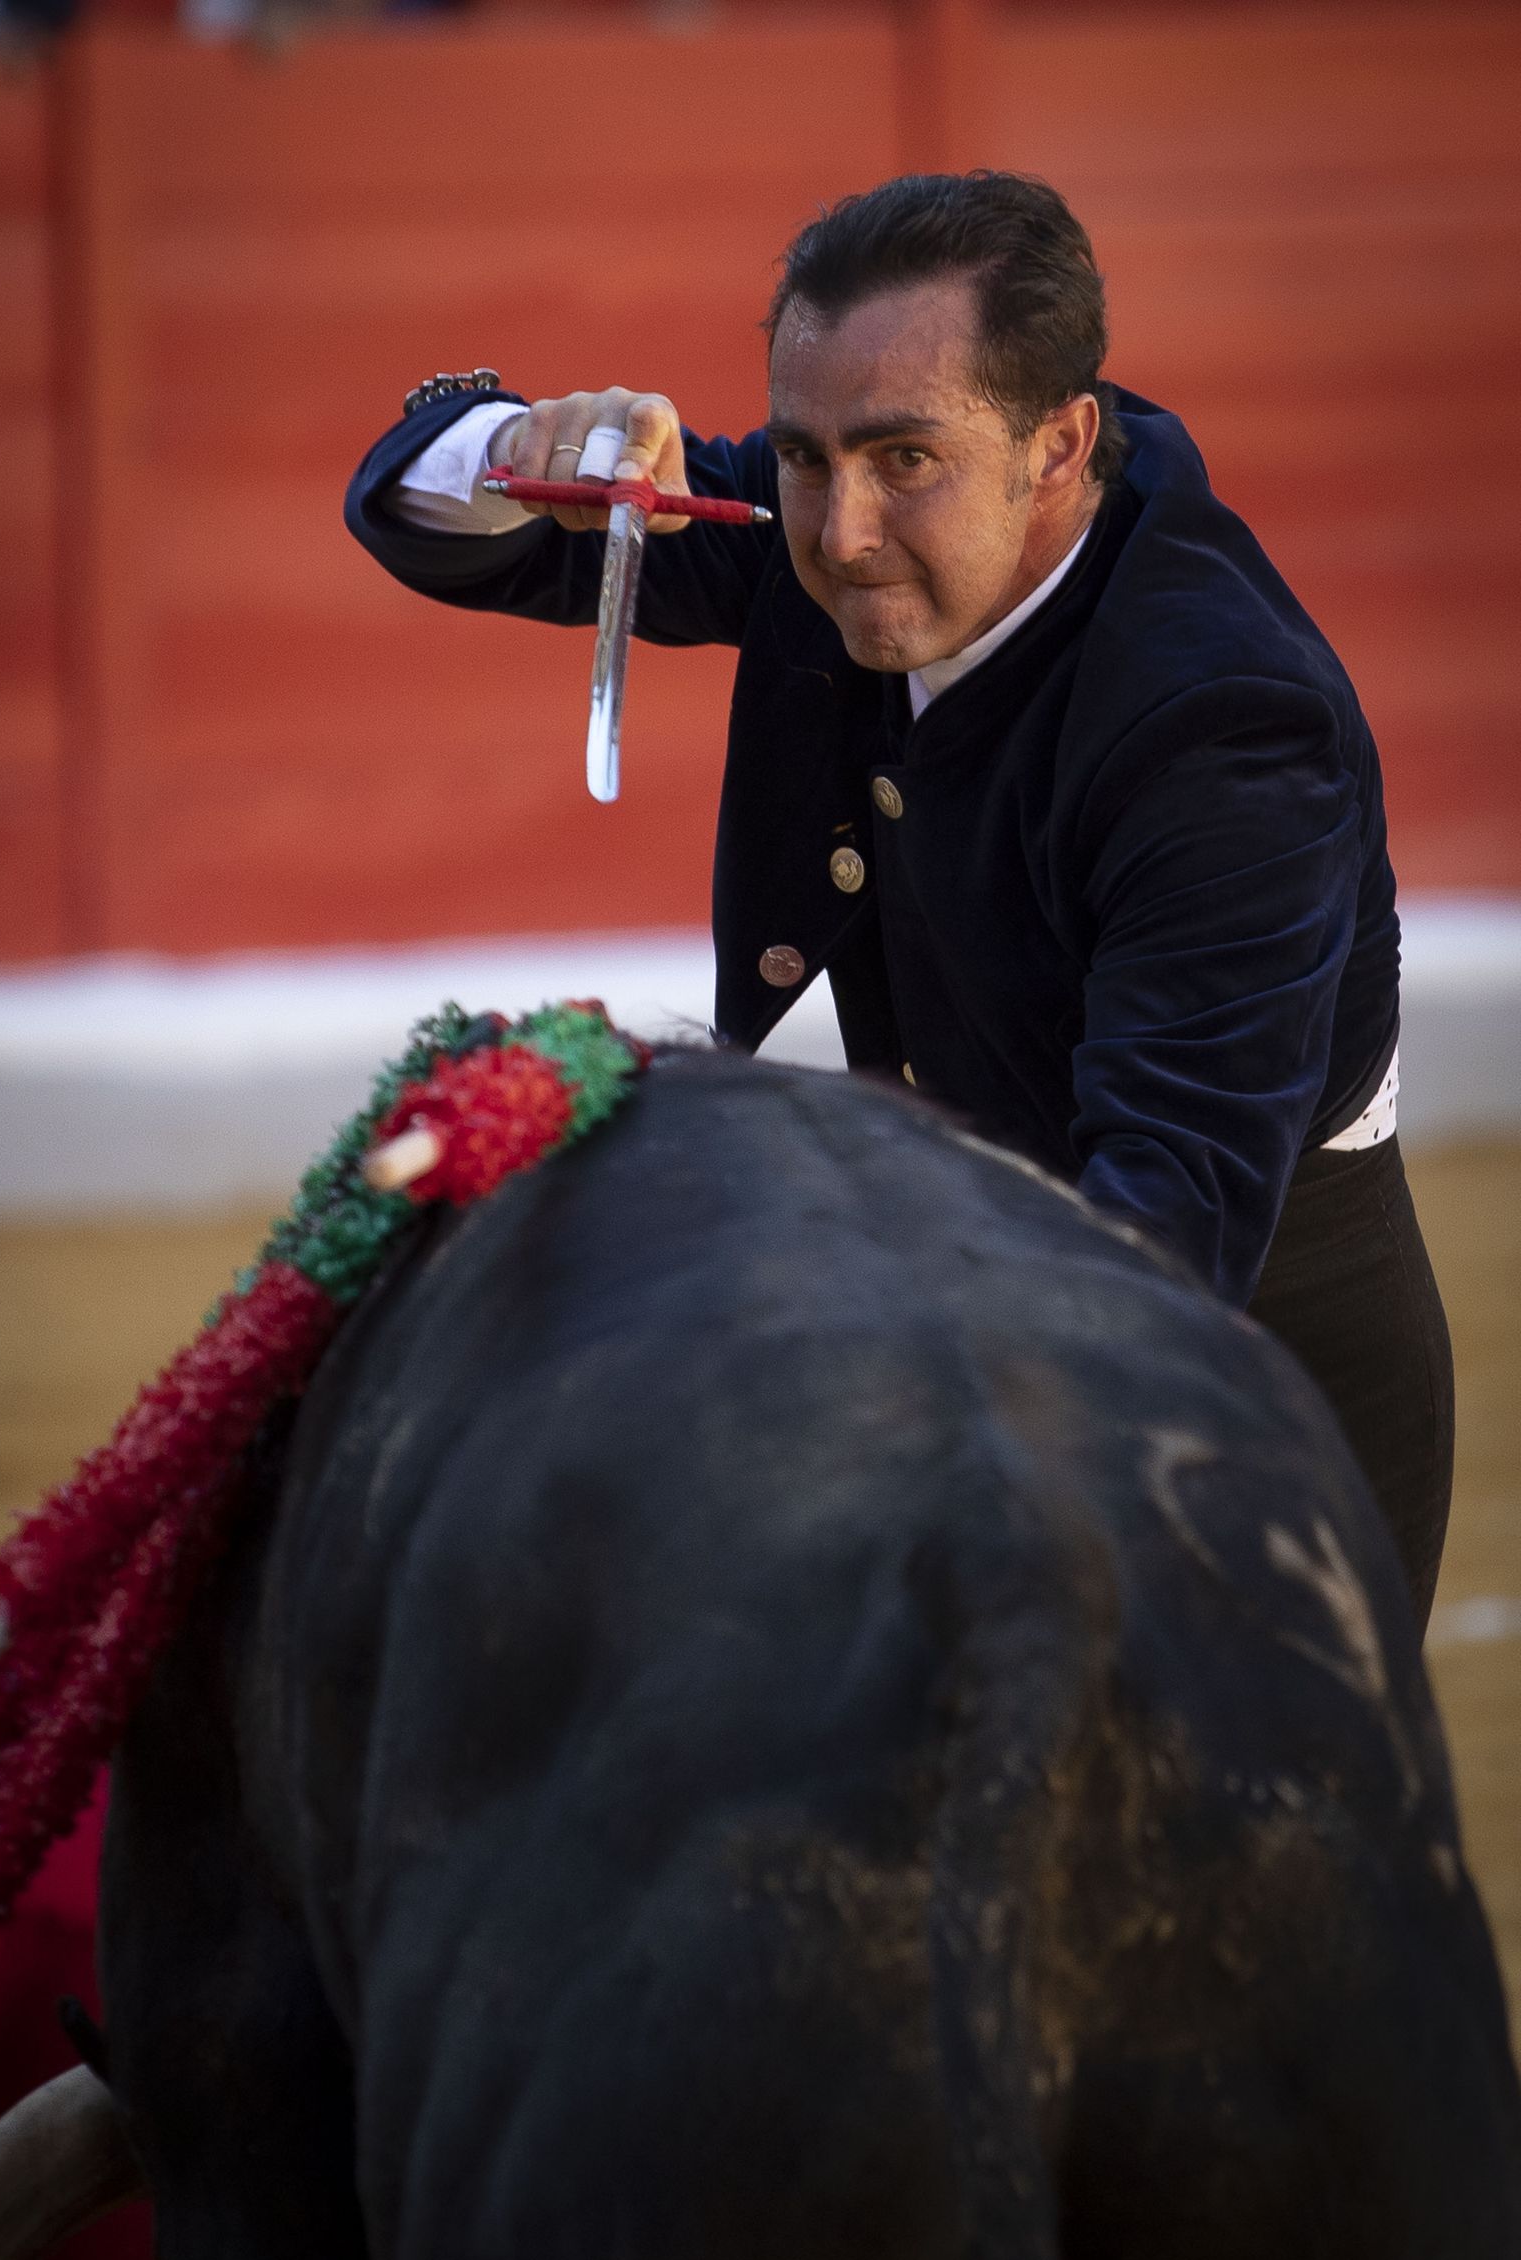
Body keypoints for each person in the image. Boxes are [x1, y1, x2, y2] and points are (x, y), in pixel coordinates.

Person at [343, 169, 1453, 1633]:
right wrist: (519, 447)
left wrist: (806, 1364)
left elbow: (1164, 1232)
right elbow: (411, 509)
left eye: (902, 461)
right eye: (803, 456)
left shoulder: (1225, 732)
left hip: (1248, 1396)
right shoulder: (869, 513)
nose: (842, 532)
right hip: (980, 1284)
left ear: (1061, 446)